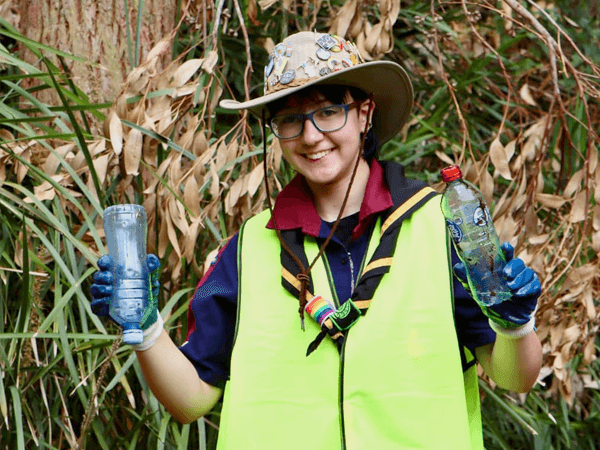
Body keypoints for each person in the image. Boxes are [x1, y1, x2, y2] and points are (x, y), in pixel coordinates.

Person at [90, 31, 543, 449]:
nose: (310, 137)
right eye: (290, 120)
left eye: (329, 111)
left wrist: (515, 326)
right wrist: (144, 327)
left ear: (365, 113)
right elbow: (190, 401)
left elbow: (515, 377)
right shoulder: (248, 249)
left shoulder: (440, 227)